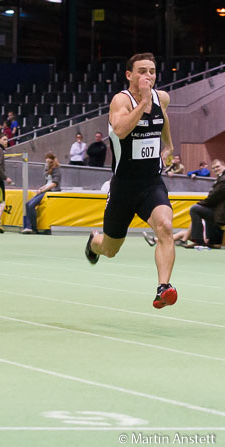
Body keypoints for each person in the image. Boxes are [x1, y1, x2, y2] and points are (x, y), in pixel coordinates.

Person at [85, 52, 178, 309]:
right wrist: (143, 103)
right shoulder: (120, 101)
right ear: (129, 75)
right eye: (142, 71)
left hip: (150, 183)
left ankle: (163, 288)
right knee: (110, 249)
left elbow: (163, 118)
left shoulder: (162, 98)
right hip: (124, 187)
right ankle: (94, 243)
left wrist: (168, 146)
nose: (148, 76)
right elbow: (121, 129)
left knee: (165, 227)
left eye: (152, 71)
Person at [22, 152, 62, 234]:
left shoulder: (57, 169)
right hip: (46, 190)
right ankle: (28, 226)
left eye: (47, 160)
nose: (46, 162)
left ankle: (34, 228)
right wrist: (41, 188)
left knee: (31, 205)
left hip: (51, 192)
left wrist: (42, 190)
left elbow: (54, 184)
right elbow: (48, 182)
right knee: (27, 204)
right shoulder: (48, 169)